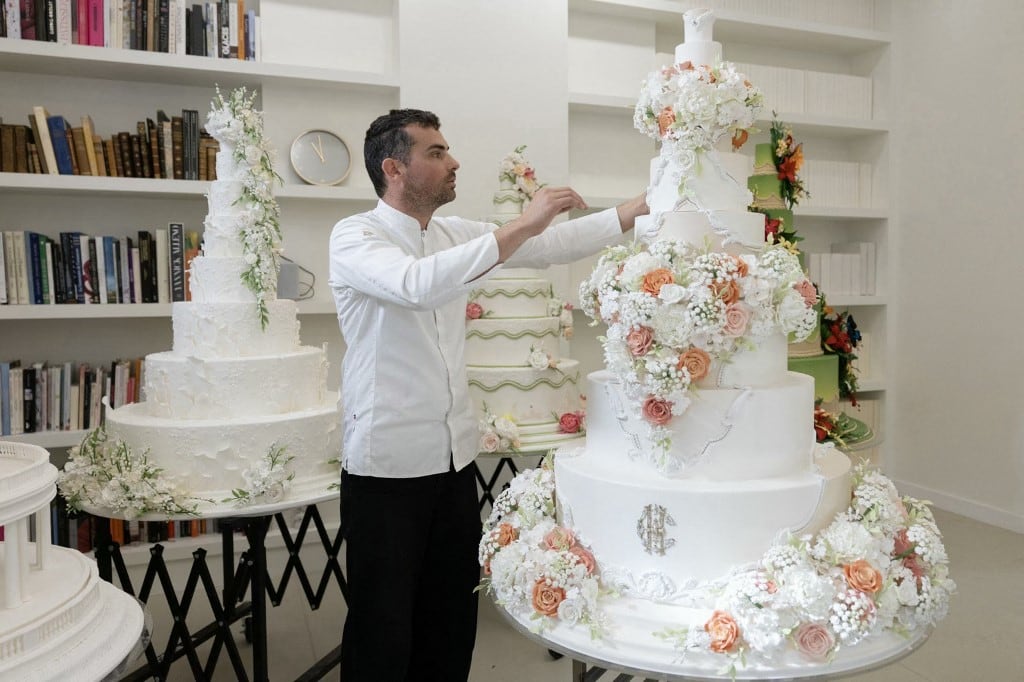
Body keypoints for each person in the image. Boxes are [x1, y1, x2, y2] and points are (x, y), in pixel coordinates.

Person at [329, 108, 648, 681]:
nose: (453, 163)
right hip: (385, 468)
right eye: (436, 152)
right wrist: (521, 224)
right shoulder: (356, 236)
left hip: (454, 460)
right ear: (394, 167)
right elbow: (414, 286)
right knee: (383, 625)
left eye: (447, 149)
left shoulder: (454, 233)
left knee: (451, 617)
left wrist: (631, 212)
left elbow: (553, 245)